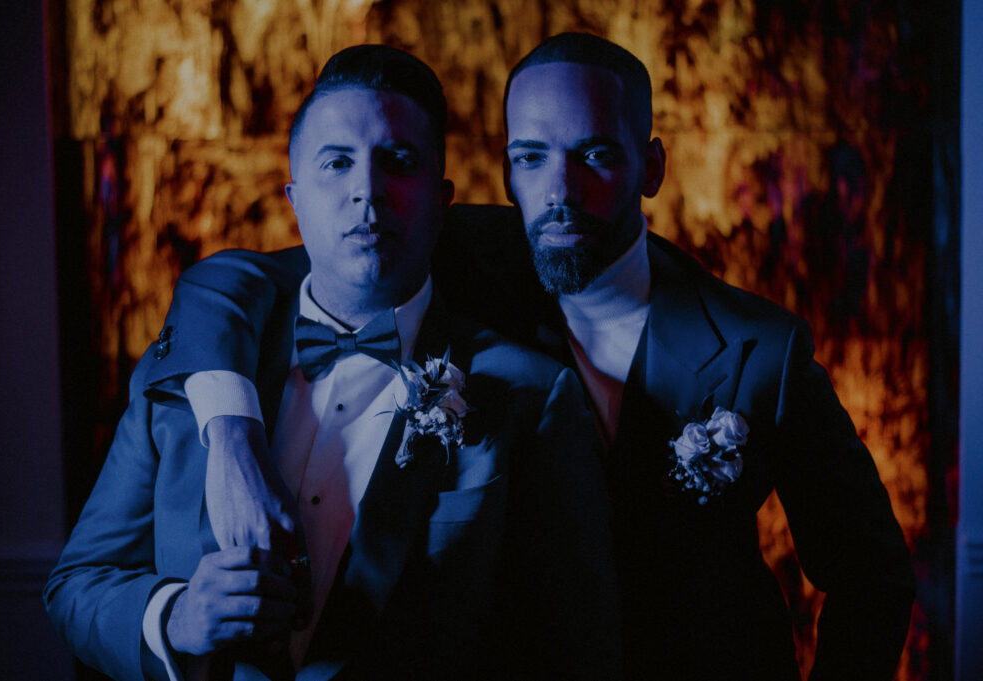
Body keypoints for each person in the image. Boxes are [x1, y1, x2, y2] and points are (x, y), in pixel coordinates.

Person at [142, 34, 916, 680]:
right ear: (507, 168)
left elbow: (872, 576)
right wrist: (233, 434)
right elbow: (229, 279)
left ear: (651, 167)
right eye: (532, 156)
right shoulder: (457, 254)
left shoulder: (760, 349)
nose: (560, 189)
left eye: (595, 155)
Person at [44, 45, 621, 681]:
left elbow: (574, 652)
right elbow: (78, 585)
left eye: (398, 162)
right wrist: (176, 619)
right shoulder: (191, 374)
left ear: (442, 199)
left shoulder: (533, 394)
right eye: (337, 162)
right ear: (293, 196)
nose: (366, 191)